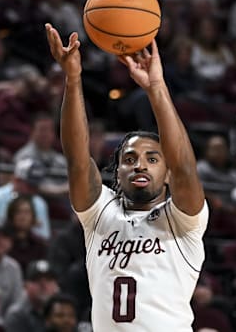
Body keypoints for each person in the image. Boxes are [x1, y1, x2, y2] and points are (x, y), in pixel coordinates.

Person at [45, 24, 208, 331]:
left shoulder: (183, 220)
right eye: (129, 159)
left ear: (167, 173)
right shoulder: (99, 213)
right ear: (116, 174)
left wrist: (156, 87)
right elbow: (78, 161)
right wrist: (73, 79)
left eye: (152, 158)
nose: (140, 165)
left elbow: (186, 169)